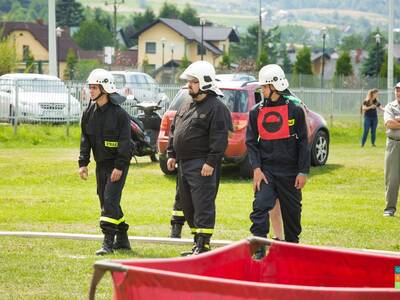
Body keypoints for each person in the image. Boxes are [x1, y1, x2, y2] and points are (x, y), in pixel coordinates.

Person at [166, 60, 231, 255]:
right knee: (188, 205)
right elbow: (174, 130)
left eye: (193, 81)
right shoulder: (187, 104)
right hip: (184, 164)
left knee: (203, 205)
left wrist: (211, 161)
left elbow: (219, 138)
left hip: (202, 164)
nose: (189, 85)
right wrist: (171, 153)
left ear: (204, 83)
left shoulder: (216, 108)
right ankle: (197, 243)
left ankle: (204, 245)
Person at [246, 64, 310, 259]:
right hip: (267, 171)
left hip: (290, 172)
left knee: (292, 214)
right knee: (260, 207)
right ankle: (259, 248)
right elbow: (251, 143)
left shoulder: (295, 110)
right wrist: (256, 169)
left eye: (264, 87)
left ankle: (292, 250)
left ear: (274, 87)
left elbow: (304, 143)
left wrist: (303, 171)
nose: (262, 90)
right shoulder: (256, 112)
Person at [78, 68, 132, 255]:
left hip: (117, 166)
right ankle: (123, 239)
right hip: (101, 166)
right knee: (106, 201)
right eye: (90, 87)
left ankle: (108, 243)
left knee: (109, 200)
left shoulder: (120, 115)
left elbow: (126, 143)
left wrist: (119, 166)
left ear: (105, 89)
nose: (90, 91)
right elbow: (85, 139)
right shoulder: (88, 113)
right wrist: (83, 163)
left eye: (94, 87)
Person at [383, 82, 400, 217]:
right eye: (397, 90)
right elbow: (390, 123)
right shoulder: (390, 107)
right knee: (392, 178)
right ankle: (389, 209)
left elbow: (395, 124)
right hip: (394, 145)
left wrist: (398, 121)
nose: (399, 93)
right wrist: (395, 122)